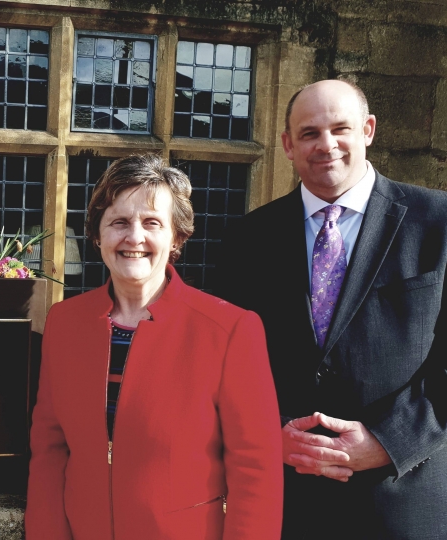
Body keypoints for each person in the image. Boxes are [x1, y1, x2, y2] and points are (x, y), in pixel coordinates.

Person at [218, 79, 447, 539]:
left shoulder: (437, 222)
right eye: (308, 133)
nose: (326, 145)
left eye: (340, 128)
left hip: (403, 498)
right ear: (287, 144)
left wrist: (387, 442)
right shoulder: (249, 238)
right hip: (284, 502)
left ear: (368, 129)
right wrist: (268, 435)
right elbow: (225, 366)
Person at [26, 154, 283, 539]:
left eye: (152, 223)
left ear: (176, 236)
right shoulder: (65, 323)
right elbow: (49, 449)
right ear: (97, 235)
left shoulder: (230, 330)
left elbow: (255, 470)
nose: (134, 237)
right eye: (118, 222)